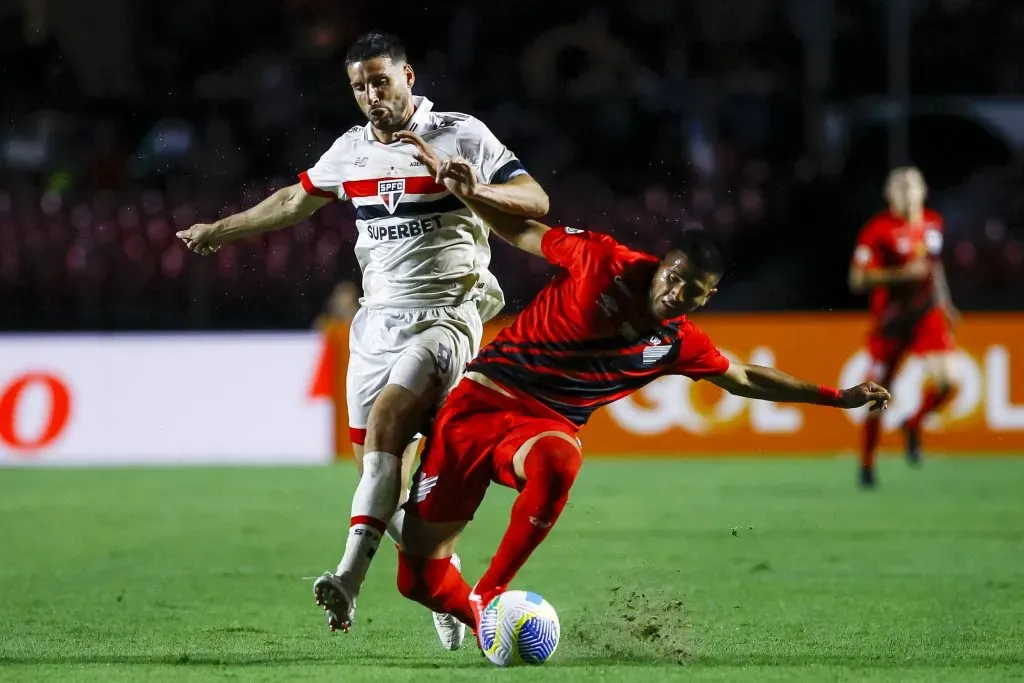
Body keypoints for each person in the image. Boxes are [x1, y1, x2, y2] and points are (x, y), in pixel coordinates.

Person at [389, 131, 892, 642]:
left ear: (708, 296)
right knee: (418, 581)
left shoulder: (678, 342)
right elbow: (523, 232)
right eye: (673, 277)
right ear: (661, 264)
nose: (676, 293)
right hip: (480, 403)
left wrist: (837, 397)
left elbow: (743, 377)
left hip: (541, 427)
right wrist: (470, 192)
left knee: (559, 461)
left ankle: (491, 592)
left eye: (691, 291)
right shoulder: (602, 260)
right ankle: (482, 617)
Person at [176, 32, 549, 646]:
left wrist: (473, 189)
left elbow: (536, 199)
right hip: (376, 325)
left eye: (380, 81)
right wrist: (220, 230)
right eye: (359, 86)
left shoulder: (461, 134)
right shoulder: (350, 150)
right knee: (380, 480)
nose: (372, 95)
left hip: (447, 316)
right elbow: (294, 199)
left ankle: (348, 578)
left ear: (408, 76)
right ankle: (446, 580)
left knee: (388, 421)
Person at [848, 167, 959, 489]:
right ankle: (867, 463)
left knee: (948, 382)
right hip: (891, 321)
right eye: (900, 187)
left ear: (924, 191)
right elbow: (857, 279)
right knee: (877, 394)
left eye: (912, 186)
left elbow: (935, 267)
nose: (907, 193)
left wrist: (946, 303)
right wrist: (901, 274)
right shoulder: (877, 230)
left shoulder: (933, 223)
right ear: (889, 194)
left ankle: (913, 423)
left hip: (926, 314)